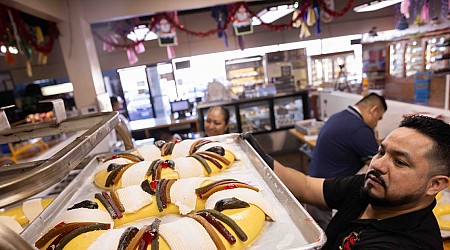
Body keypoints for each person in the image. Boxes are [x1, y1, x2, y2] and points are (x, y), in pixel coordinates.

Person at [270, 115, 450, 249]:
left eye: (399, 162)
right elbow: (307, 187)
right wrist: (252, 153)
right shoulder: (372, 187)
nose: (378, 164)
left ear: (435, 184)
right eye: (381, 152)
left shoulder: (404, 245)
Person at [306, 93, 388, 229]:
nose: (376, 124)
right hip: (326, 196)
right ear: (373, 110)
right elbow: (380, 166)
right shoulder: (359, 129)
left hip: (312, 186)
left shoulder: (339, 117)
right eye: (378, 119)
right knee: (328, 239)